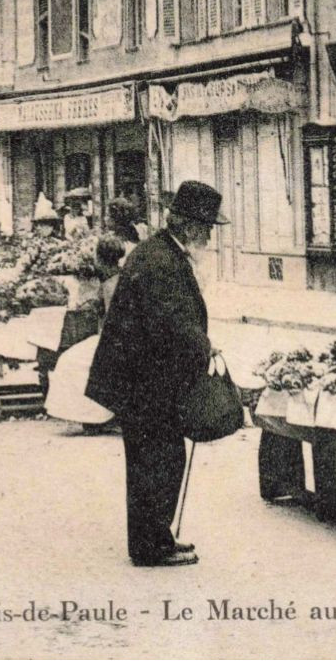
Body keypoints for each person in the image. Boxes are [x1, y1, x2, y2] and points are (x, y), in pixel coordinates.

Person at [86, 181, 228, 567]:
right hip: (145, 383)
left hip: (144, 379)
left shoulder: (161, 253)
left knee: (157, 459)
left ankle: (158, 537)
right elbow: (173, 321)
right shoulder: (161, 261)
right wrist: (203, 347)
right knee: (157, 460)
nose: (210, 235)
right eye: (207, 227)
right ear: (188, 226)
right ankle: (152, 546)